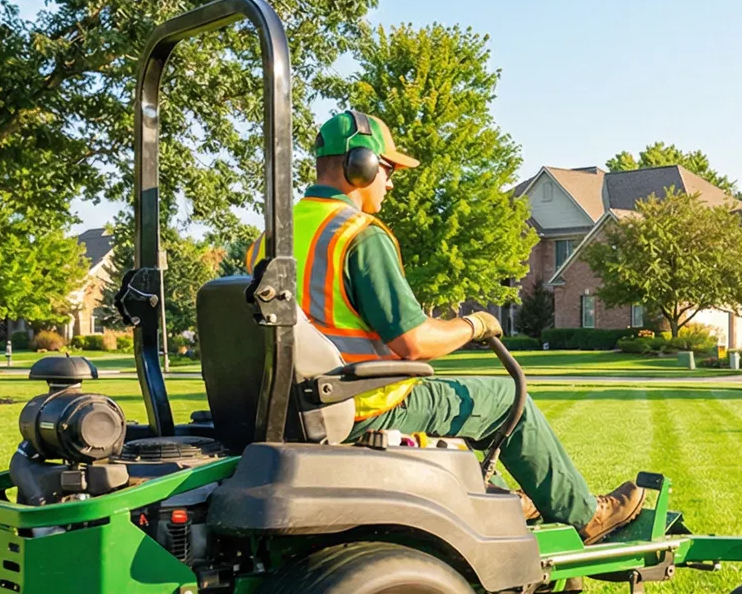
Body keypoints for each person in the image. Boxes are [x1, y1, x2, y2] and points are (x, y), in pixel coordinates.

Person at [263, 110, 644, 542]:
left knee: (455, 401)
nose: (390, 183)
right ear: (360, 165)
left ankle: (491, 497)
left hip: (296, 411)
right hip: (362, 406)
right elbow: (413, 342)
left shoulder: (272, 238)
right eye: (386, 170)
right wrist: (475, 324)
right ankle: (586, 515)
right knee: (504, 396)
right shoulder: (356, 235)